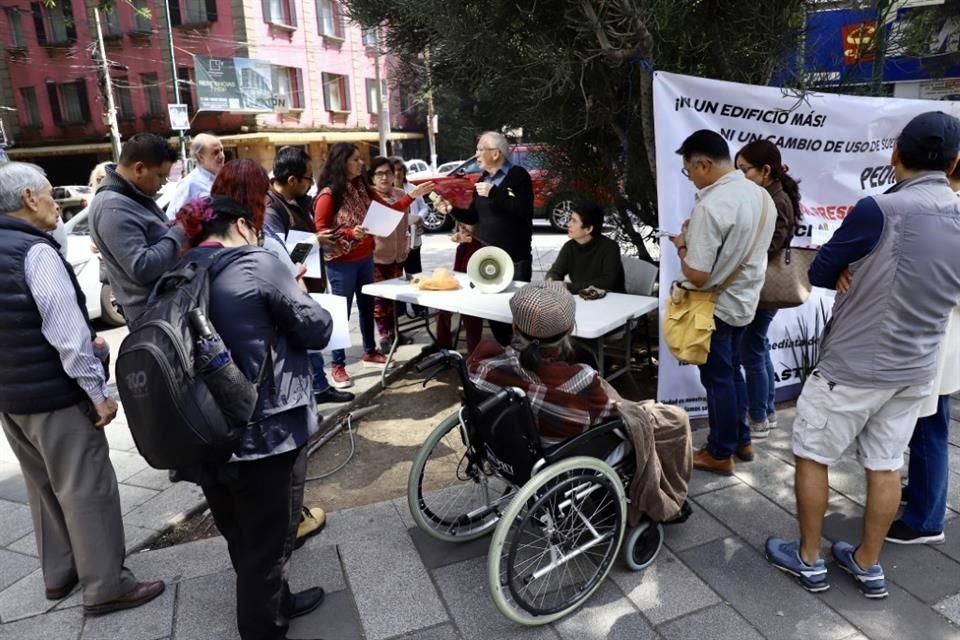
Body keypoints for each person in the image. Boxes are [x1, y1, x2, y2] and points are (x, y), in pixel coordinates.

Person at [765, 111, 960, 599]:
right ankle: (868, 564)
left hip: (854, 364)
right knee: (887, 462)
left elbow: (826, 269)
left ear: (896, 156)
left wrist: (853, 272)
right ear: (955, 162)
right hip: (917, 365)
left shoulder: (880, 208)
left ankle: (809, 558)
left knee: (812, 454)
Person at [0, 162, 165, 616]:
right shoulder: (35, 252)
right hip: (55, 395)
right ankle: (107, 585)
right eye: (51, 193)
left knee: (42, 488)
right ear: (29, 198)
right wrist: (98, 393)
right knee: (86, 489)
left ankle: (60, 575)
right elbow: (69, 336)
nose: (58, 203)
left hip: (12, 398)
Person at [175, 190, 333, 640]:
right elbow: (317, 328)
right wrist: (297, 289)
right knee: (269, 538)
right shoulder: (256, 263)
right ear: (243, 225)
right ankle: (264, 628)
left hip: (203, 429)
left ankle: (278, 601)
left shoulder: (179, 270)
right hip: (264, 430)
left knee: (239, 533)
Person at [670, 129, 775, 476]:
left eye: (688, 172)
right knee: (732, 373)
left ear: (702, 165)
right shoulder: (761, 196)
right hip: (744, 301)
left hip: (714, 307)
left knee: (717, 379)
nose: (690, 180)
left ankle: (719, 451)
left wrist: (682, 245)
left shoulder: (712, 205)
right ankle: (741, 439)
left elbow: (698, 274)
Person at [313, 143, 433, 388]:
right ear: (342, 161)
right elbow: (320, 230)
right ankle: (337, 366)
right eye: (356, 159)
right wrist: (348, 233)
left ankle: (370, 351)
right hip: (341, 263)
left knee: (368, 307)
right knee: (341, 313)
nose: (361, 164)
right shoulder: (329, 194)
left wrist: (413, 195)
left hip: (365, 257)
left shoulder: (363, 189)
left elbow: (391, 209)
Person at [886, 156, 960, 545]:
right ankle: (921, 497)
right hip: (938, 339)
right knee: (929, 423)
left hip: (935, 337)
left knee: (928, 426)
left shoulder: (951, 213)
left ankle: (926, 520)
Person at [469, 281, 618, 445]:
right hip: (558, 458)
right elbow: (613, 416)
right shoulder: (582, 380)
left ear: (514, 326)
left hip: (502, 448)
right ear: (570, 329)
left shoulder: (483, 359)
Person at [265, 146, 353, 405]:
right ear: (292, 180)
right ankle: (310, 391)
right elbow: (278, 255)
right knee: (300, 343)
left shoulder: (298, 201)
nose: (311, 183)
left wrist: (327, 241)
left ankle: (319, 385)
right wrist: (315, 240)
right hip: (293, 287)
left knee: (313, 338)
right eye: (307, 178)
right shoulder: (271, 209)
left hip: (311, 280)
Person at [435, 131, 534, 345]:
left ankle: (526, 365)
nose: (476, 154)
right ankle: (508, 360)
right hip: (489, 258)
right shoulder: (483, 179)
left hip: (514, 259)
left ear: (495, 153)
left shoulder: (518, 176)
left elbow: (522, 211)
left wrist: (495, 193)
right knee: (495, 315)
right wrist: (452, 209)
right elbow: (474, 215)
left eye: (480, 150)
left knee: (518, 316)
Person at [733, 140, 802, 439]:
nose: (742, 177)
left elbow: (771, 247)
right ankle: (767, 411)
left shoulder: (777, 200)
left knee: (751, 350)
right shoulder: (768, 195)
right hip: (759, 286)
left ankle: (758, 417)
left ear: (765, 170)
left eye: (744, 170)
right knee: (757, 349)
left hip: (763, 288)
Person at [88, 133, 186, 326]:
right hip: (154, 318)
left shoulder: (132, 195)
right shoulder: (112, 207)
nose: (162, 184)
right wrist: (178, 232)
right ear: (139, 168)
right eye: (160, 176)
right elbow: (141, 267)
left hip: (165, 311)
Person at [369, 156, 413, 351]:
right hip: (376, 257)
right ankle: (384, 336)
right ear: (372, 177)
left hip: (398, 255)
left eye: (388, 173)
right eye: (379, 174)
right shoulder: (368, 197)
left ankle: (395, 333)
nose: (384, 178)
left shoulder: (401, 194)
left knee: (394, 299)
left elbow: (404, 224)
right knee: (379, 300)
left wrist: (406, 246)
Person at [545, 201, 625, 294]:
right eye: (570, 219)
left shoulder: (610, 247)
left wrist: (568, 287)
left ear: (588, 229)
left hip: (613, 300)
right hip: (582, 299)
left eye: (574, 221)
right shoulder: (569, 247)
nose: (568, 224)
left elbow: (607, 282)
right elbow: (556, 271)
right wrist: (551, 280)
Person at [435, 223, 484, 354]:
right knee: (441, 306)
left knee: (472, 312)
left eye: (466, 226)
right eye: (460, 226)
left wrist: (472, 237)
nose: (463, 229)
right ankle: (443, 347)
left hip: (477, 288)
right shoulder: (462, 248)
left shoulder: (482, 248)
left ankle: (474, 353)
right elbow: (457, 275)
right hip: (461, 285)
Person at [393, 157, 429, 317]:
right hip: (395, 240)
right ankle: (399, 309)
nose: (397, 174)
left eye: (400, 170)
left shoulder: (412, 188)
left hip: (413, 234)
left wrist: (420, 217)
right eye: (394, 170)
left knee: (414, 272)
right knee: (396, 275)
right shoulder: (388, 192)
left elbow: (424, 207)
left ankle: (418, 307)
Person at [165, 133, 225, 218]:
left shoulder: (223, 178)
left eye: (222, 150)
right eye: (215, 152)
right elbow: (172, 218)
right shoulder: (189, 184)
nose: (222, 156)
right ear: (200, 157)